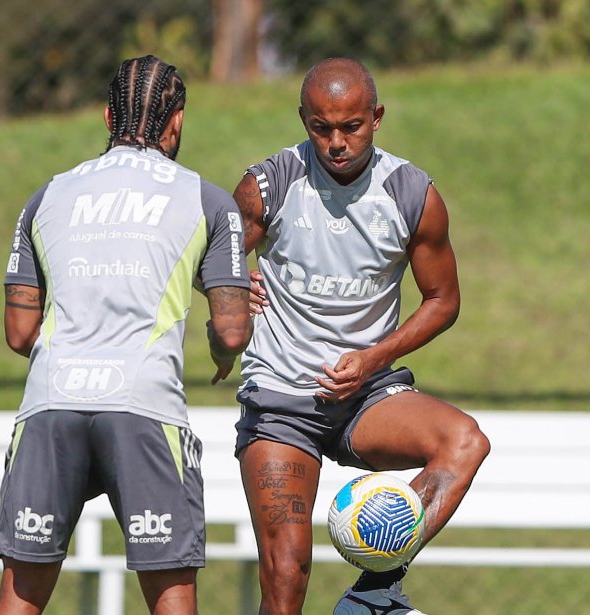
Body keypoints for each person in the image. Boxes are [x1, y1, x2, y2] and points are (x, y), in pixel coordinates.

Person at [0, 55, 252, 615]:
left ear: (108, 116)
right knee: (170, 597)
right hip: (142, 408)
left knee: (20, 599)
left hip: (51, 405)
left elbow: (19, 333)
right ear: (176, 121)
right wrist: (216, 345)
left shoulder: (48, 196)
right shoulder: (207, 201)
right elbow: (233, 332)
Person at [231, 57, 491, 615]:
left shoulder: (412, 194)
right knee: (286, 572)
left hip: (365, 397)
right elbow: (208, 259)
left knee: (464, 442)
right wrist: (228, 287)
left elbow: (444, 301)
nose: (336, 143)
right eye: (321, 128)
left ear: (377, 117)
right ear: (303, 120)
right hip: (282, 399)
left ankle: (374, 592)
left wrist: (375, 358)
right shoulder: (267, 185)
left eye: (351, 126)